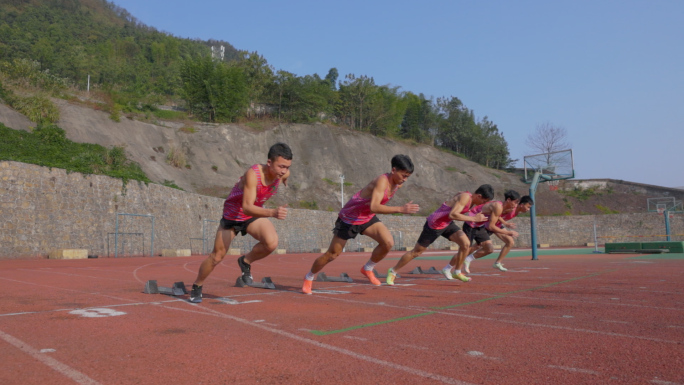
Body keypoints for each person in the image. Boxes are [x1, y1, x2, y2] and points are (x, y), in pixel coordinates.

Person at [189, 143, 292, 303]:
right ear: (269, 163)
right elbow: (246, 207)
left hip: (253, 214)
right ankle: (197, 285)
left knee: (271, 243)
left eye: (287, 167)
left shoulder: (282, 173)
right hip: (234, 214)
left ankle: (245, 261)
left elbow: (285, 174)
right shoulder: (253, 175)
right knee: (217, 257)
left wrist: (285, 178)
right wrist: (272, 212)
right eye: (281, 167)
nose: (284, 171)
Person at [302, 155, 420, 294]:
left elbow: (371, 210)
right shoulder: (382, 182)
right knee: (332, 254)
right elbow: (374, 207)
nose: (405, 180)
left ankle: (368, 268)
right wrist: (400, 209)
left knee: (387, 243)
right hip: (349, 218)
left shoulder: (398, 183)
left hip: (366, 217)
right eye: (403, 175)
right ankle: (309, 277)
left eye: (407, 177)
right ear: (393, 170)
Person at [386, 184, 494, 285]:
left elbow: (452, 209)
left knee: (465, 244)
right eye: (484, 201)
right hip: (434, 224)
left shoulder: (469, 199)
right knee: (416, 252)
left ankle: (457, 271)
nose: (483, 204)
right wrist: (474, 218)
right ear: (479, 196)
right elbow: (453, 214)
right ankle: (393, 271)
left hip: (447, 223)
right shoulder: (466, 197)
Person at [450, 190, 521, 280]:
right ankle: (449, 268)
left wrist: (506, 224)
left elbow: (497, 216)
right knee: (466, 248)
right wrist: (508, 232)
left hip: (480, 226)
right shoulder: (498, 206)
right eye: (515, 202)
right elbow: (492, 226)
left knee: (489, 248)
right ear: (509, 200)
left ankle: (468, 260)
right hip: (471, 224)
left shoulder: (501, 206)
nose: (515, 205)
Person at [464, 195, 533, 273]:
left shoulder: (517, 211)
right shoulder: (511, 208)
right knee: (478, 245)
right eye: (528, 207)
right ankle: (462, 258)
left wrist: (504, 223)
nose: (528, 209)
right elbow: (497, 213)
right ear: (522, 205)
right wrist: (505, 223)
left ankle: (497, 263)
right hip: (491, 225)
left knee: (510, 242)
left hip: (498, 225)